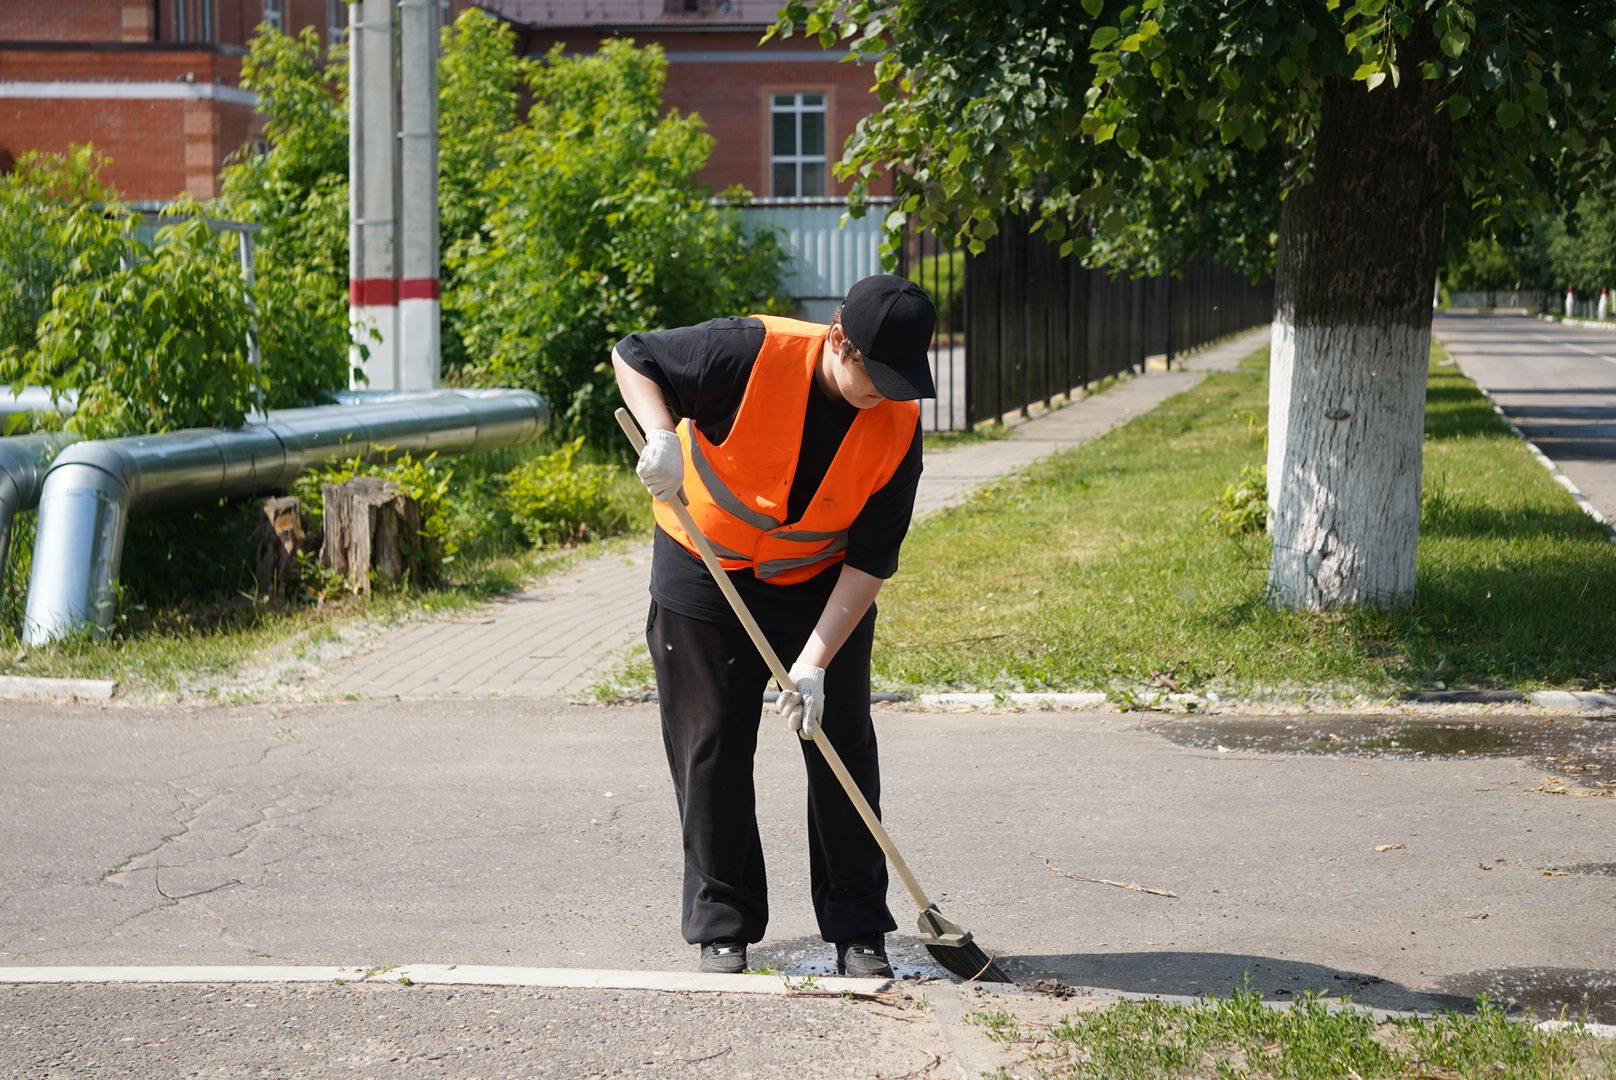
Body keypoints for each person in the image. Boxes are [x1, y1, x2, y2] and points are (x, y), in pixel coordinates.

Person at [611, 274, 937, 977]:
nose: (885, 391)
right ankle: (722, 925)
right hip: (707, 568)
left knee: (840, 742)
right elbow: (634, 355)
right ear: (839, 339)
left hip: (820, 581)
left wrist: (816, 662)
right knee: (712, 743)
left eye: (900, 379)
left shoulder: (899, 424)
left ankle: (858, 929)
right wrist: (662, 438)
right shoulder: (747, 351)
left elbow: (874, 556)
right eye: (874, 374)